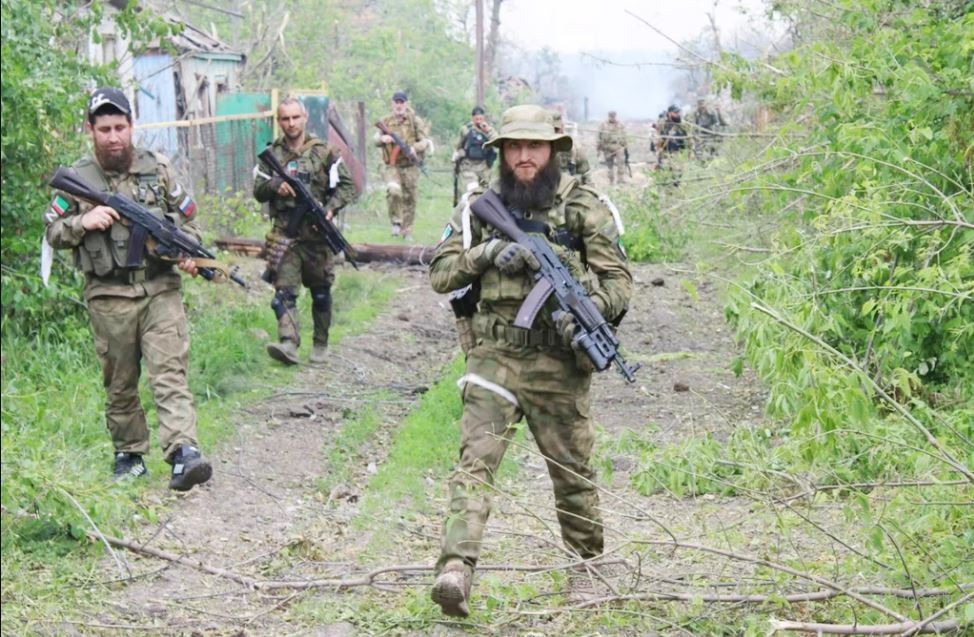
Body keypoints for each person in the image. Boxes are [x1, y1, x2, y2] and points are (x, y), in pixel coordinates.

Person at [428, 105, 633, 617]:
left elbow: (619, 286)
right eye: (514, 147)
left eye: (534, 147)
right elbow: (440, 273)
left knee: (573, 473)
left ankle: (586, 572)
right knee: (475, 465)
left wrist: (588, 316)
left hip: (560, 364)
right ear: (500, 152)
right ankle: (456, 571)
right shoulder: (479, 206)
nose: (524, 156)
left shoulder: (585, 208)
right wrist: (488, 254)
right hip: (494, 355)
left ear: (553, 152)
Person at [44, 87, 212, 490]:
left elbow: (189, 224)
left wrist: (189, 254)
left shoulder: (159, 169)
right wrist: (83, 222)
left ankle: (183, 452)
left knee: (169, 371)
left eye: (120, 127)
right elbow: (52, 231)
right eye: (105, 129)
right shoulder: (78, 179)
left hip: (160, 290)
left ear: (132, 127)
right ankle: (129, 454)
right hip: (108, 294)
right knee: (119, 380)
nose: (114, 136)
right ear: (91, 130)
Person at [253, 97, 357, 366]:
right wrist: (276, 184)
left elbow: (348, 186)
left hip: (317, 236)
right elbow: (258, 190)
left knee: (321, 293)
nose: (291, 124)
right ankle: (289, 343)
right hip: (286, 235)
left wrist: (330, 209)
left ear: (305, 118)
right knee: (284, 293)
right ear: (279, 121)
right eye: (285, 119)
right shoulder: (271, 154)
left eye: (295, 117)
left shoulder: (324, 152)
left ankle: (320, 344)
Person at [374, 91, 431, 242]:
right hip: (392, 166)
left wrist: (414, 148)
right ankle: (396, 223)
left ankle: (407, 231)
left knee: (410, 198)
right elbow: (375, 140)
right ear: (392, 103)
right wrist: (382, 138)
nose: (399, 105)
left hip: (410, 166)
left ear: (406, 104)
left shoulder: (414, 121)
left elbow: (425, 141)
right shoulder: (386, 121)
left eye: (401, 102)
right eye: (396, 102)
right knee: (393, 191)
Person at [453, 106, 496, 195]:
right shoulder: (466, 130)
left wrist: (488, 131)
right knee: (473, 191)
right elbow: (458, 146)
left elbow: (496, 141)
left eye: (481, 118)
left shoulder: (488, 130)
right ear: (472, 118)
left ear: (484, 118)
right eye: (477, 119)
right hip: (469, 167)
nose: (479, 121)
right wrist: (457, 155)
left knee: (485, 192)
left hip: (484, 169)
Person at [551, 110, 592, 184]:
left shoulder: (574, 149)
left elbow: (586, 178)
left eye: (556, 129)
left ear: (562, 128)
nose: (554, 133)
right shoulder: (536, 151)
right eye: (550, 130)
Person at [658, 104, 689, 185]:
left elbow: (688, 138)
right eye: (676, 112)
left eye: (679, 112)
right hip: (666, 153)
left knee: (678, 176)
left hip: (678, 153)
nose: (678, 114)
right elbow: (659, 140)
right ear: (669, 113)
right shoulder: (664, 125)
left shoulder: (682, 124)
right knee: (665, 176)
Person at [596, 110, 628, 185]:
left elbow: (624, 135)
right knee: (610, 166)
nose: (612, 118)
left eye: (613, 116)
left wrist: (625, 146)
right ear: (608, 116)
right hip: (607, 147)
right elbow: (599, 137)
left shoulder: (620, 125)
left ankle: (620, 180)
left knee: (621, 164)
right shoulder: (603, 125)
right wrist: (598, 149)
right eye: (611, 116)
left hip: (618, 147)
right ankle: (611, 181)